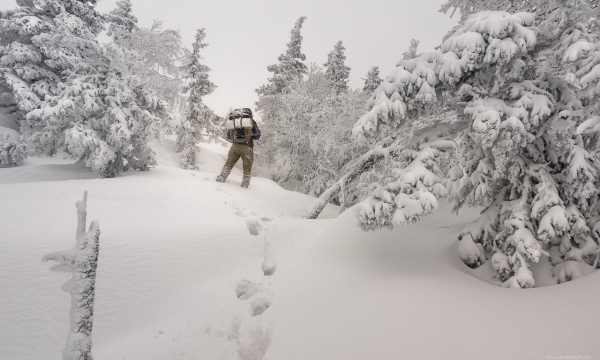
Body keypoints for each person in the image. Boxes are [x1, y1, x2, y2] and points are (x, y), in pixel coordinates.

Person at [216, 108, 261, 188]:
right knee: (247, 168)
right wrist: (250, 135)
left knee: (228, 164)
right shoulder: (251, 122)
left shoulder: (235, 122)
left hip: (235, 147)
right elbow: (257, 135)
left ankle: (221, 178)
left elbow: (228, 136)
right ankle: (245, 184)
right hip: (247, 148)